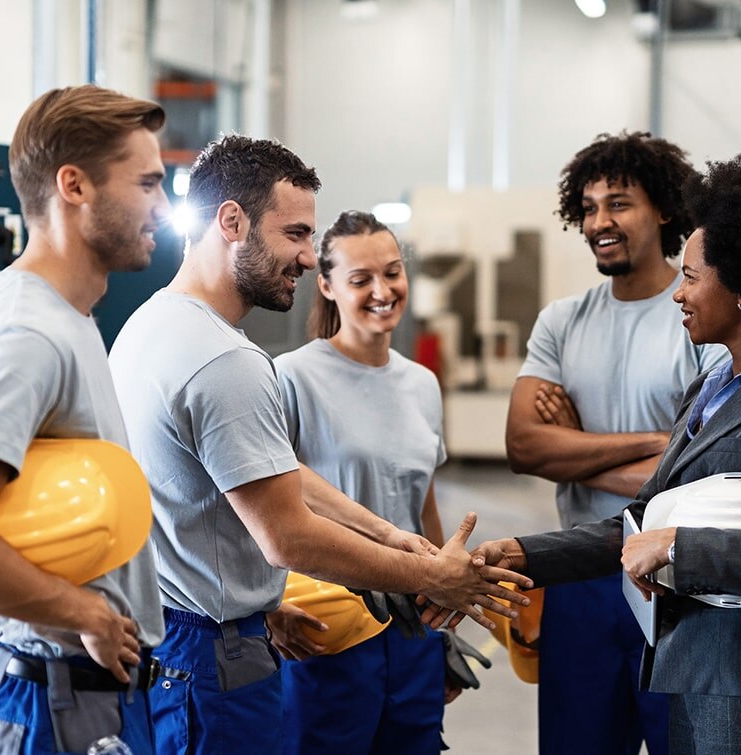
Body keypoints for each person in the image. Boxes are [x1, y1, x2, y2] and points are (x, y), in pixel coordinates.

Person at [107, 135, 530, 755]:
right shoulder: (227, 361)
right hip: (213, 657)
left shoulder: (149, 326)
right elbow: (288, 537)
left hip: (180, 635)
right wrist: (432, 576)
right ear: (232, 222)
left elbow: (271, 471)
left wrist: (391, 535)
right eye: (296, 235)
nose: (307, 258)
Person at [472, 154, 741, 754]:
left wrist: (677, 547)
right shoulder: (712, 387)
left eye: (692, 276)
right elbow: (639, 522)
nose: (678, 293)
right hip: (695, 669)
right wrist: (522, 554)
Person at [0, 85, 170, 754]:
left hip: (79, 696)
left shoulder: (64, 317)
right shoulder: (28, 333)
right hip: (49, 703)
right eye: (148, 183)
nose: (162, 206)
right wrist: (84, 614)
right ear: (74, 185)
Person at [503, 131, 728, 755]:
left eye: (620, 203)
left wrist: (574, 448)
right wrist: (662, 444)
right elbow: (524, 447)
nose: (601, 220)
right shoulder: (561, 321)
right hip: (578, 576)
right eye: (591, 206)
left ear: (663, 210)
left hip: (674, 581)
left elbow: (703, 477)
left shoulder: (699, 318)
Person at [266, 210, 454, 753]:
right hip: (326, 626)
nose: (382, 291)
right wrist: (268, 606)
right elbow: (255, 502)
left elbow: (425, 503)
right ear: (325, 285)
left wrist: (443, 612)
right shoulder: (293, 377)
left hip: (414, 624)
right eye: (360, 279)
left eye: (392, 273)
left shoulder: (421, 383)